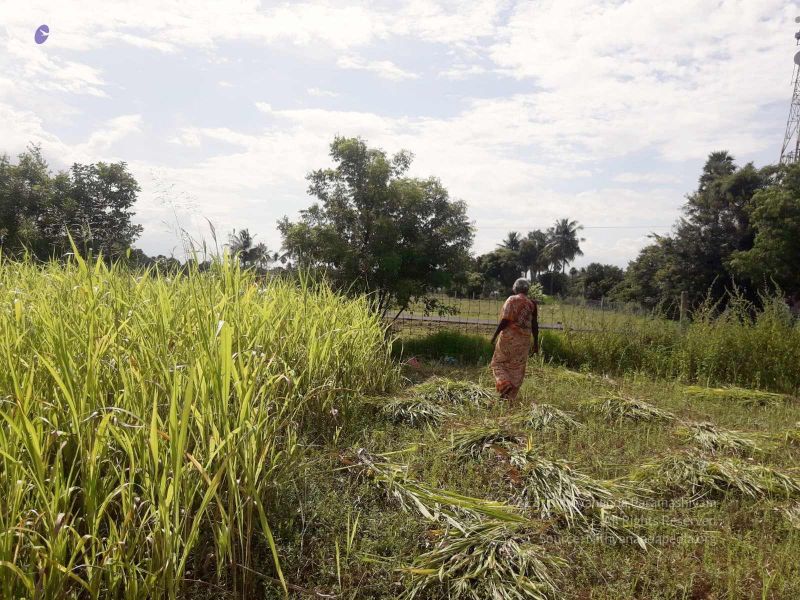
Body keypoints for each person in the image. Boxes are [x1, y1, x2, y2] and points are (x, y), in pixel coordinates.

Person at [490, 278, 539, 401]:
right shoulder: (532, 304)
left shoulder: (511, 299)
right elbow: (535, 325)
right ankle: (509, 398)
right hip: (524, 341)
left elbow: (505, 319)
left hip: (509, 338)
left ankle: (504, 383)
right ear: (527, 290)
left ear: (515, 288)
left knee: (498, 362)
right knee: (517, 367)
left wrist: (495, 335)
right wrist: (536, 343)